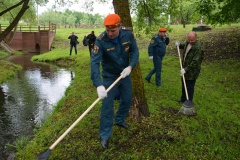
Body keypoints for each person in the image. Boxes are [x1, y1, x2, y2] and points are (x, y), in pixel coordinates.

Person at [91, 14, 139, 149]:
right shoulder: (100, 40)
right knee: (107, 105)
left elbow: (135, 51)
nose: (110, 33)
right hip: (109, 76)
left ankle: (119, 120)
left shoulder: (127, 34)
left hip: (124, 73)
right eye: (107, 31)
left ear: (119, 26)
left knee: (127, 98)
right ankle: (105, 135)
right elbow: (94, 62)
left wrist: (130, 67)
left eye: (113, 31)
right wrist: (98, 84)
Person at [175, 31, 204, 103]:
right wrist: (179, 45)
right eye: (189, 40)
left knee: (189, 87)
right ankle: (183, 99)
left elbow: (195, 62)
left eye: (192, 40)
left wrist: (185, 69)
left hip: (192, 72)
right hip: (184, 68)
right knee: (184, 84)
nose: (190, 41)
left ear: (196, 38)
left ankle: (189, 102)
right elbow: (185, 46)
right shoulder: (188, 42)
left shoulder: (198, 48)